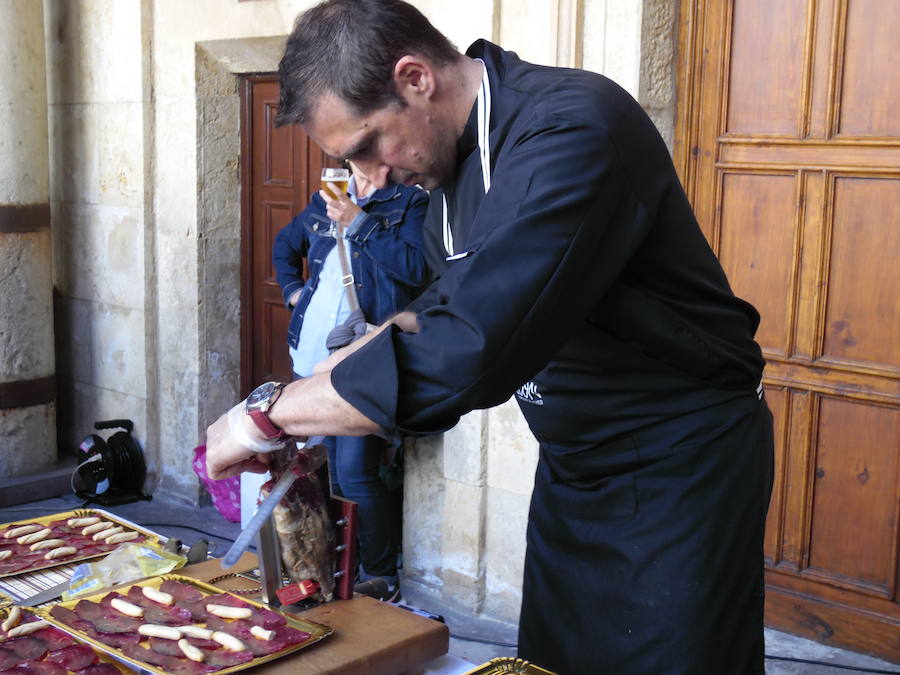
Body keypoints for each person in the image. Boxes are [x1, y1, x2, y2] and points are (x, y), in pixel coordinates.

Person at [207, 1, 774, 673]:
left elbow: (470, 348)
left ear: (416, 78)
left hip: (681, 465)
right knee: (555, 662)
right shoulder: (446, 168)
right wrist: (296, 404)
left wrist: (265, 417)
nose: (372, 179)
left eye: (367, 146)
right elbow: (428, 313)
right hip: (577, 466)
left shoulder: (571, 128)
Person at [272, 161, 428, 600]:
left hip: (365, 356)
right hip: (311, 352)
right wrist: (292, 291)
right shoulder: (327, 195)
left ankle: (382, 577)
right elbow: (287, 243)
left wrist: (358, 223)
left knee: (356, 471)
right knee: (329, 471)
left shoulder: (409, 200)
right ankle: (344, 568)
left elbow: (417, 269)